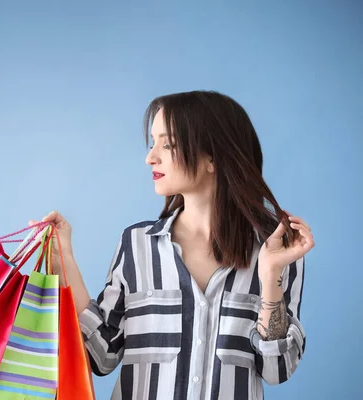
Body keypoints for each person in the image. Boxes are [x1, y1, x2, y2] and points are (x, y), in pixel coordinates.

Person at [28, 90, 314, 400]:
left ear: (213, 158)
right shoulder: (136, 245)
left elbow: (276, 369)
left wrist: (270, 275)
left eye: (168, 144)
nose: (150, 157)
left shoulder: (276, 253)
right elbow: (102, 355)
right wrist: (63, 260)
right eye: (153, 143)